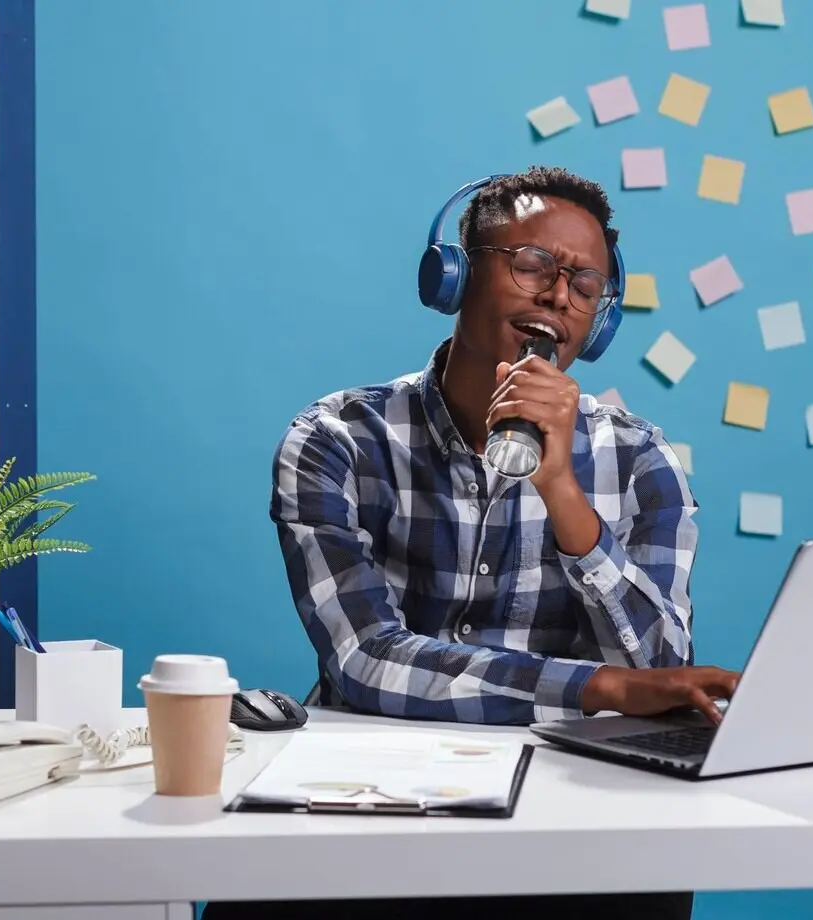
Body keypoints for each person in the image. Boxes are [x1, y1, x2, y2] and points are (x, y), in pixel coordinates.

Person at [204, 167, 739, 920]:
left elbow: (656, 673)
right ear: (453, 276)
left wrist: (563, 492)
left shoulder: (644, 462)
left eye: (584, 285)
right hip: (369, 793)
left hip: (568, 803)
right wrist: (592, 689)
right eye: (532, 265)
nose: (558, 295)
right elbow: (362, 660)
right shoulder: (339, 442)